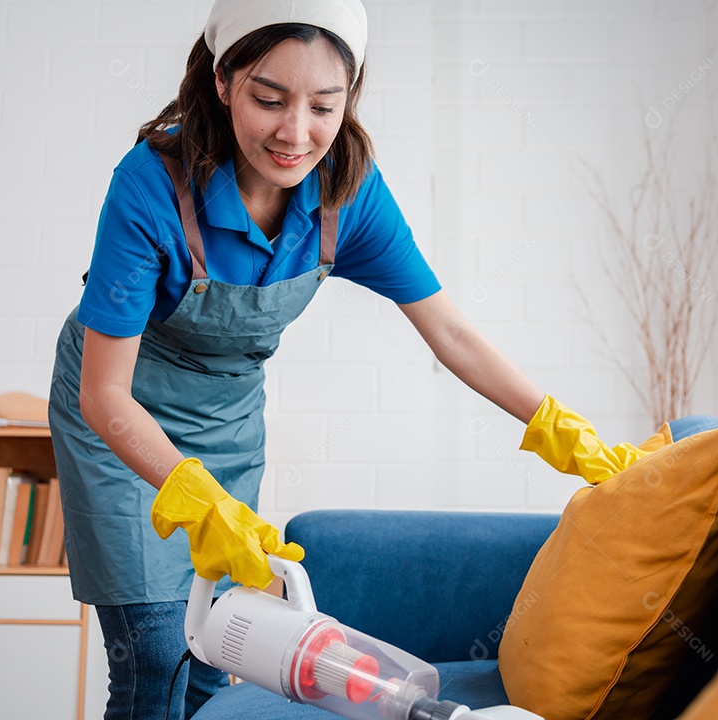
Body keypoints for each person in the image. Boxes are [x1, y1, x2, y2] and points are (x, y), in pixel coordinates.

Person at [48, 0, 630, 717]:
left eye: (324, 105)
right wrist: (196, 501)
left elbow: (450, 334)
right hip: (117, 415)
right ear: (224, 80)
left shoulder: (348, 191)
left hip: (225, 418)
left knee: (215, 644)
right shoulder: (151, 184)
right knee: (156, 648)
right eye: (268, 98)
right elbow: (105, 397)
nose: (296, 133)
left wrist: (565, 434)